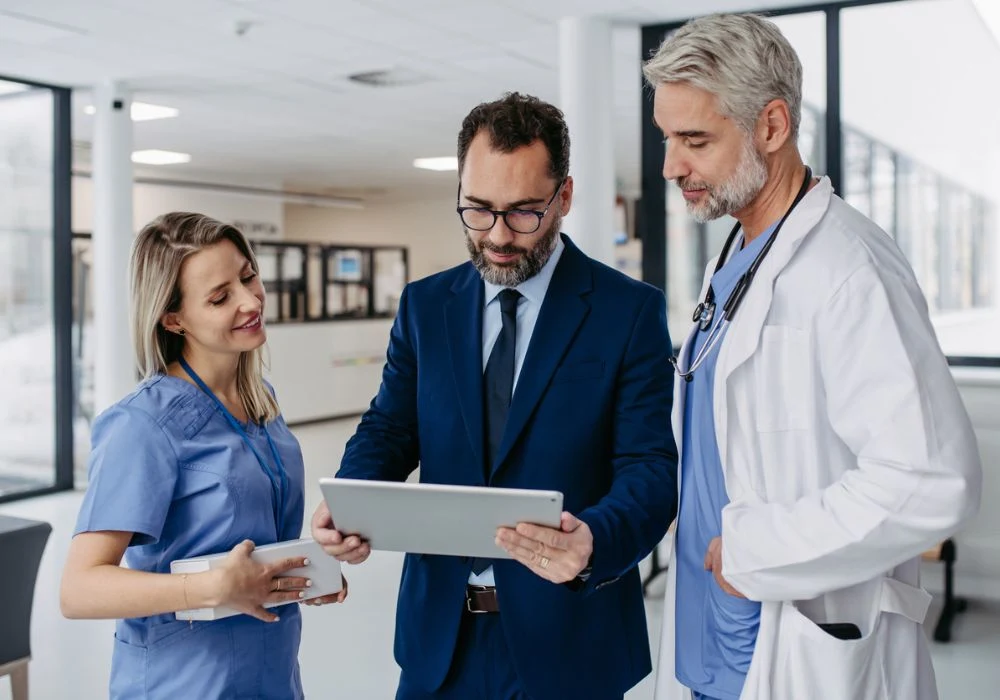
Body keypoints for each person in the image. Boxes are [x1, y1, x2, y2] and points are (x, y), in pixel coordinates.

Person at [642, 13, 983, 700]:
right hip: (709, 643)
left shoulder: (848, 266)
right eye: (667, 138)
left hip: (797, 653)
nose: (670, 165)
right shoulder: (735, 258)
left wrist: (759, 549)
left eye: (695, 140)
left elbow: (932, 479)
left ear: (771, 126)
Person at [311, 92, 678, 699]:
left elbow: (651, 467)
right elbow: (391, 426)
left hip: (571, 644)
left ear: (564, 196)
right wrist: (353, 498)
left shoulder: (628, 311)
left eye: (524, 212)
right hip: (439, 645)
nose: (499, 236)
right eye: (477, 210)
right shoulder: (426, 306)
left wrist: (592, 542)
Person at [61, 212, 348, 699]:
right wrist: (213, 588)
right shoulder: (142, 425)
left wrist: (301, 574)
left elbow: (247, 536)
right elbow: (79, 588)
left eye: (248, 276)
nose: (249, 300)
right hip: (185, 683)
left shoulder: (261, 402)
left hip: (272, 673)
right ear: (174, 318)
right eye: (220, 297)